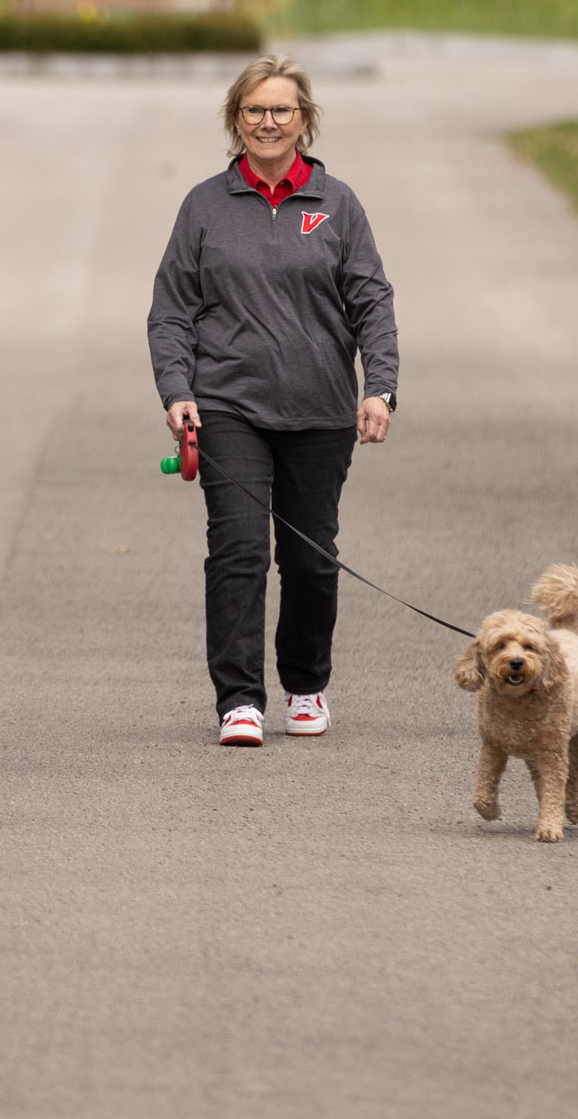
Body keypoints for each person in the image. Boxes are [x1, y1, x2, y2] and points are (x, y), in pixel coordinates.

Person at [147, 56, 398, 746]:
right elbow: (170, 310)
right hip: (227, 406)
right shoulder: (204, 205)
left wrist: (380, 385)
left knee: (311, 559)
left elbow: (372, 300)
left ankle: (306, 683)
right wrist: (178, 390)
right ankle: (239, 699)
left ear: (304, 120)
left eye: (281, 109)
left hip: (319, 410)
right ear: (236, 120)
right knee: (238, 550)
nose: (267, 121)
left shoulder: (336, 203)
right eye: (254, 110)